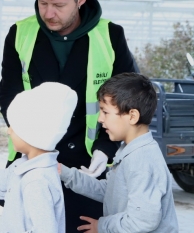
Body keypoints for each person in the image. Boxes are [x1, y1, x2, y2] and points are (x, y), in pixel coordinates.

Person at [0, 0, 136, 231]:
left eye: (58, 5)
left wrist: (105, 150)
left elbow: (127, 98)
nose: (48, 13)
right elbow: (8, 94)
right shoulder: (20, 33)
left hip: (87, 168)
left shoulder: (110, 36)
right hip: (31, 161)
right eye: (42, 2)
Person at [0, 82, 77, 233]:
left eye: (14, 127)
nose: (9, 131)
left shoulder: (37, 182)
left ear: (31, 134)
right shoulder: (22, 167)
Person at [60, 73, 179, 232]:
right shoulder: (130, 150)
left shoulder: (141, 161)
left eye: (105, 112)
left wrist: (102, 226)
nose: (100, 119)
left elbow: (142, 221)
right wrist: (64, 173)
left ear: (132, 116)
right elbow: (110, 191)